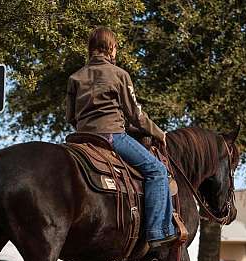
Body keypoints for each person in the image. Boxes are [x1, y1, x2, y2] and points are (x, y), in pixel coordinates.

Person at [66, 27, 176, 248]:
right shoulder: (120, 75)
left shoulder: (75, 77)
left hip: (79, 139)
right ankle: (157, 231)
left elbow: (70, 117)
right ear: (111, 48)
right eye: (116, 47)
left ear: (91, 49)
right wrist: (159, 133)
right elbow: (135, 115)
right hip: (111, 136)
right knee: (157, 170)